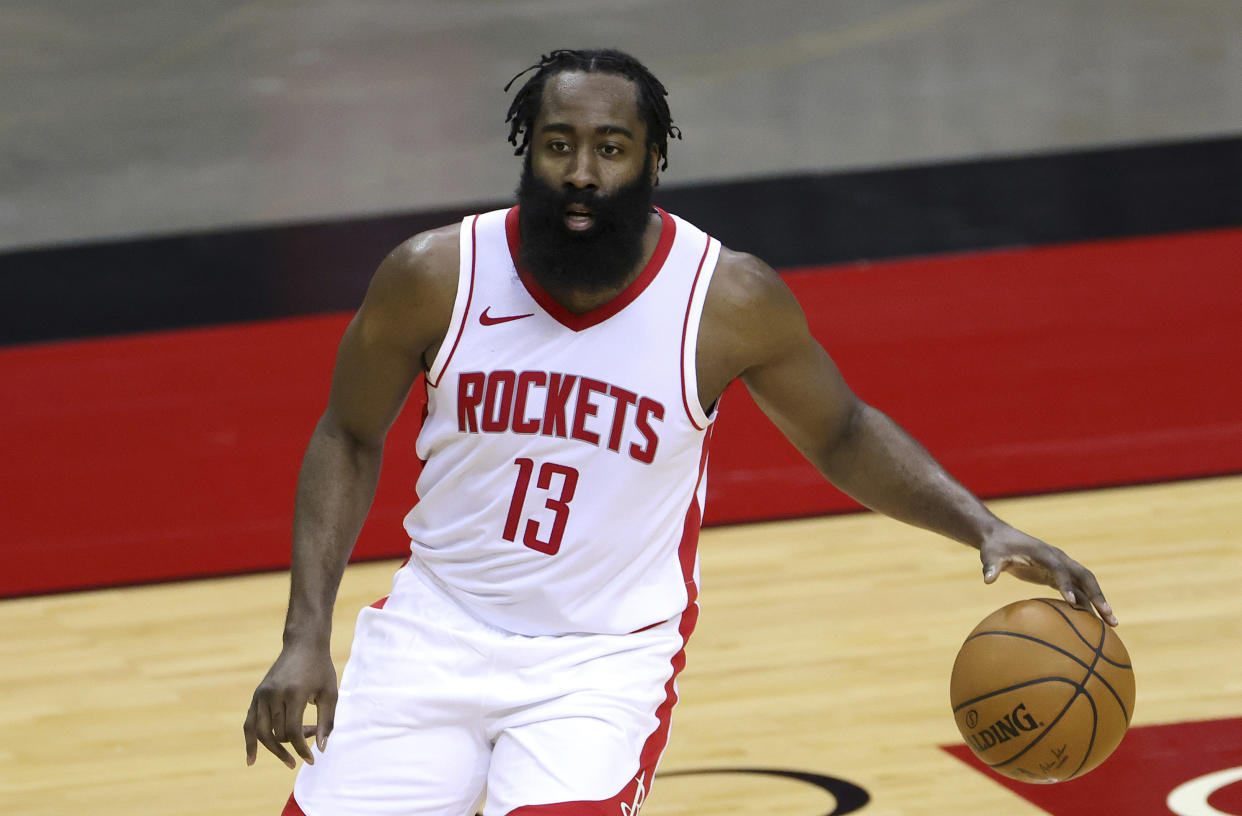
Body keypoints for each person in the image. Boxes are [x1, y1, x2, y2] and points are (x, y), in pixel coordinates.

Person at [243, 48, 1117, 816]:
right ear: (529, 153)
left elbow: (843, 432)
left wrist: (984, 524)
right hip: (435, 635)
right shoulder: (438, 276)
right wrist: (303, 636)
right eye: (559, 146)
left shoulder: (724, 300)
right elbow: (348, 437)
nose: (582, 171)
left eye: (611, 148)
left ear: (652, 160)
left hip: (601, 662)